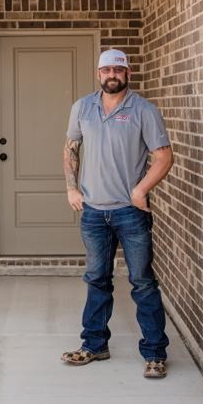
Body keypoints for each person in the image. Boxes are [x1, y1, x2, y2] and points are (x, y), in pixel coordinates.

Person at [61, 48, 174, 378]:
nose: (112, 75)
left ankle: (154, 353)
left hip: (130, 212)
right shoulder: (82, 107)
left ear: (128, 73)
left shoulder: (143, 110)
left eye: (118, 70)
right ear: (99, 74)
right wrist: (71, 187)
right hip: (93, 212)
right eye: (107, 70)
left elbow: (164, 156)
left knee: (142, 283)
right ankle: (94, 345)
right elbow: (70, 148)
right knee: (97, 280)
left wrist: (140, 190)